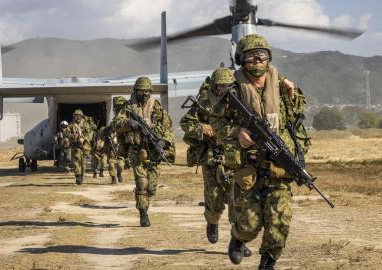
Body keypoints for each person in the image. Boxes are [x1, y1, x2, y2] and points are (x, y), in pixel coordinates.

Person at [209, 34, 309, 269]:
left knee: (279, 224)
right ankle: (237, 238)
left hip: (278, 168)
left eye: (261, 56)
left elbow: (296, 116)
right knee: (249, 226)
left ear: (268, 58)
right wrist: (237, 132)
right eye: (250, 58)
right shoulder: (233, 91)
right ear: (241, 61)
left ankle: (267, 264)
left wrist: (293, 96)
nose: (256, 61)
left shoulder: (283, 85)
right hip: (249, 168)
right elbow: (216, 121)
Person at [180, 68, 251, 257]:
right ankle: (212, 222)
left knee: (238, 201)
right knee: (214, 200)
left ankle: (239, 241)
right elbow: (185, 123)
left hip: (235, 157)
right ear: (214, 86)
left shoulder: (239, 99)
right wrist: (203, 128)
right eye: (220, 86)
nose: (224, 90)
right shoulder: (204, 100)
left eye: (228, 86)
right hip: (212, 157)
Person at [113, 76, 175, 227]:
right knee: (141, 183)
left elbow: (168, 127)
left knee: (151, 187)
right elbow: (115, 124)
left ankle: (146, 201)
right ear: (136, 91)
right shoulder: (127, 107)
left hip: (154, 150)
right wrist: (130, 123)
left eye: (147, 91)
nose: (145, 94)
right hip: (136, 149)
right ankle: (143, 213)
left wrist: (163, 141)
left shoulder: (156, 106)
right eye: (142, 91)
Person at [67, 109, 92, 185]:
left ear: (81, 117)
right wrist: (73, 136)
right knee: (76, 163)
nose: (77, 118)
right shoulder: (71, 126)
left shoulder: (86, 125)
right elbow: (67, 134)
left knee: (83, 164)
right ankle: (77, 176)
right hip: (76, 147)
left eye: (79, 116)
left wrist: (84, 138)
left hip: (84, 147)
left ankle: (81, 176)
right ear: (74, 117)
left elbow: (90, 134)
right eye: (76, 116)